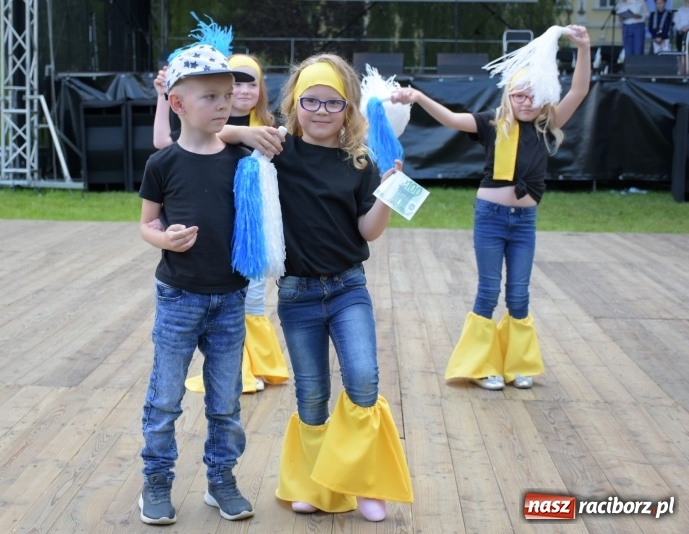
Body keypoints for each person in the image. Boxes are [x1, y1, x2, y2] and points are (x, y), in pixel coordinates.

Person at [223, 53, 413, 522]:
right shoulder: (277, 148)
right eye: (312, 101)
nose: (322, 111)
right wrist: (247, 132)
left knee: (363, 379)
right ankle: (313, 482)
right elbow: (216, 135)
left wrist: (388, 195)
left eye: (333, 102)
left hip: (348, 288)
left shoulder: (360, 161)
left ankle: (362, 482)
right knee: (311, 394)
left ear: (348, 108)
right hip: (297, 295)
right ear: (294, 103)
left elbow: (368, 230)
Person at [391, 25, 591, 390]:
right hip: (490, 218)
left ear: (543, 97)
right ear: (508, 97)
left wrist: (582, 49)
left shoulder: (548, 125)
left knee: (518, 293)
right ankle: (483, 366)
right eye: (519, 96)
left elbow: (579, 90)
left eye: (532, 95)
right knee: (488, 290)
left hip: (524, 221)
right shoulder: (491, 123)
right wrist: (418, 97)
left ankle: (518, 364)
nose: (526, 101)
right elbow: (451, 119)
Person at [137, 44, 257, 526]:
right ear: (178, 104)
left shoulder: (241, 156)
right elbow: (145, 225)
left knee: (225, 403)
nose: (224, 104)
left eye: (227, 95)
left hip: (230, 298)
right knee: (165, 398)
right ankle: (156, 483)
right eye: (210, 96)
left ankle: (221, 480)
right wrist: (164, 237)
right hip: (179, 297)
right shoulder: (162, 164)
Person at [152, 54, 290, 395]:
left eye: (246, 85)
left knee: (249, 310)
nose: (232, 98)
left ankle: (251, 368)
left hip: (239, 267)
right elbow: (176, 142)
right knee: (169, 388)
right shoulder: (204, 138)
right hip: (186, 283)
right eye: (221, 93)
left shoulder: (253, 137)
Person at [675, 0, 689, 72]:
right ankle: (682, 72)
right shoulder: (680, 10)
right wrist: (681, 28)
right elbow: (676, 22)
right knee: (681, 54)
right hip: (681, 34)